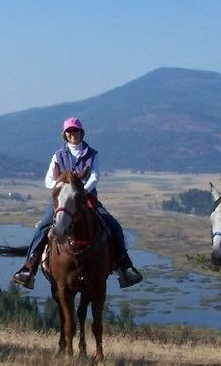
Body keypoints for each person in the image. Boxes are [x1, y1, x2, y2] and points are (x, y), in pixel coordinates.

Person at [12, 117, 142, 290]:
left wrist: (81, 192)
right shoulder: (58, 155)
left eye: (75, 131)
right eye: (69, 131)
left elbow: (94, 176)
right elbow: (48, 180)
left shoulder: (92, 154)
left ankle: (125, 266)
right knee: (43, 225)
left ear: (81, 133)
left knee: (113, 225)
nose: (72, 134)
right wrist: (62, 188)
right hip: (63, 201)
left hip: (86, 198)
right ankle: (29, 268)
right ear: (65, 134)